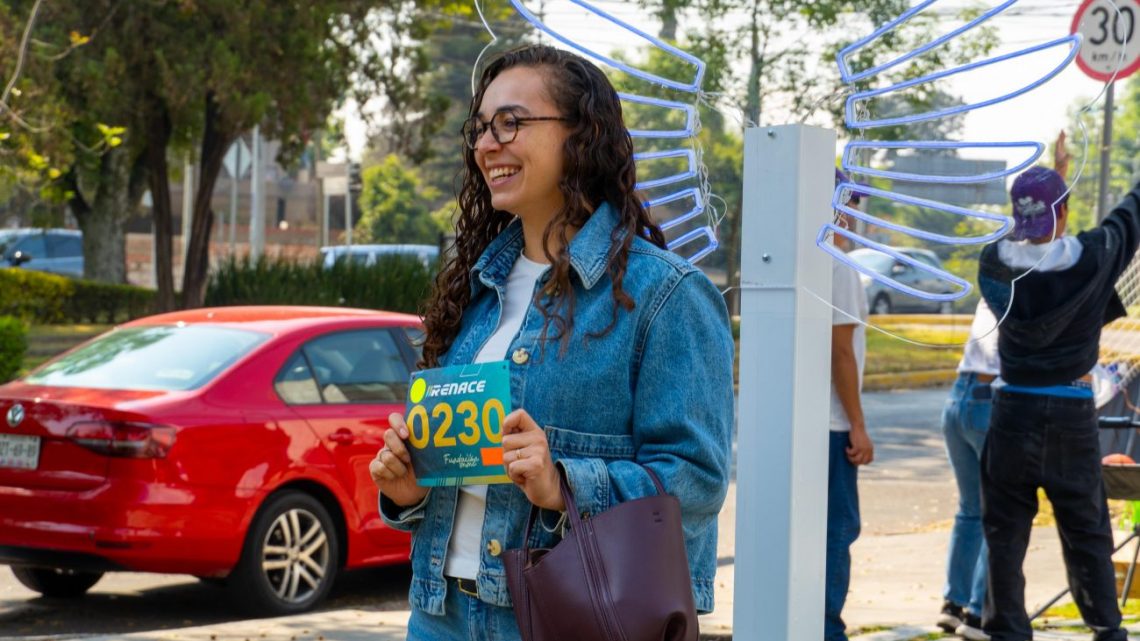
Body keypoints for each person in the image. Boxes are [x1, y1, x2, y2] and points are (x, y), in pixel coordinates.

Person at [367, 44, 735, 641]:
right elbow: (465, 483)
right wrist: (410, 490)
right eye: (480, 127)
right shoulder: (475, 291)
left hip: (567, 617)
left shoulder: (667, 296)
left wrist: (563, 483)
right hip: (439, 616)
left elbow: (695, 480)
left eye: (511, 122)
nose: (487, 144)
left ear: (581, 136)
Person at [977, 161, 1140, 641]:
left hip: (1011, 412)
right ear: (1064, 211)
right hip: (1070, 412)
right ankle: (1107, 629)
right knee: (1086, 531)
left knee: (1004, 535)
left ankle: (1007, 631)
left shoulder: (993, 264)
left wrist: (1046, 192)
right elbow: (1129, 217)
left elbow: (1023, 240)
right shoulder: (1094, 256)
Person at [826, 171, 874, 641]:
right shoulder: (838, 267)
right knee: (835, 534)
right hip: (832, 427)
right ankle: (826, 630)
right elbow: (840, 353)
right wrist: (858, 425)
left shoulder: (787, 258)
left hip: (797, 424)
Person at [936, 298, 998, 641]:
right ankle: (977, 613)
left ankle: (952, 604)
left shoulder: (991, 289)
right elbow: (997, 349)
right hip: (987, 398)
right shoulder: (1018, 288)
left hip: (957, 397)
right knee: (997, 512)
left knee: (971, 509)